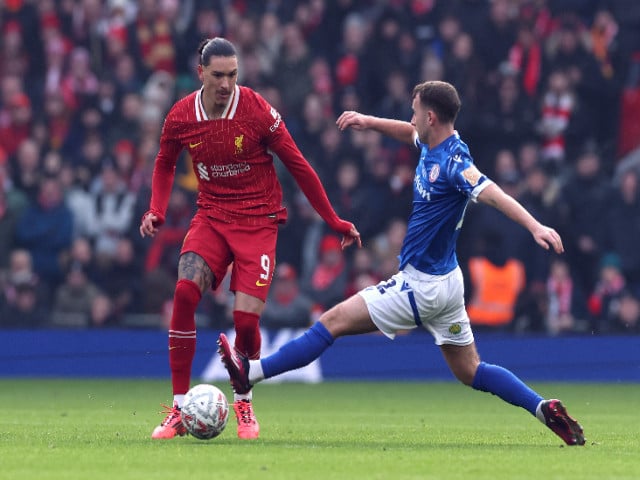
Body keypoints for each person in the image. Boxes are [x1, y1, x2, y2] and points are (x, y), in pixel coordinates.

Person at [218, 80, 586, 446]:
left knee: (331, 322)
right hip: (447, 283)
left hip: (421, 286)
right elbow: (406, 132)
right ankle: (542, 408)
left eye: (414, 113)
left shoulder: (455, 162)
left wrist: (535, 225)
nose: (410, 120)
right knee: (470, 371)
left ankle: (250, 373)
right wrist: (369, 121)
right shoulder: (433, 140)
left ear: (430, 116)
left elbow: (493, 194)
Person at [139, 37, 360, 441]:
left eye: (233, 75)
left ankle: (243, 401)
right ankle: (179, 406)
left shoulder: (257, 110)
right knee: (185, 291)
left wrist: (333, 219)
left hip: (258, 221)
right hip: (211, 216)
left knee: (244, 320)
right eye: (219, 75)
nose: (226, 84)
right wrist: (156, 208)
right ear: (201, 72)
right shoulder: (181, 115)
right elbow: (164, 163)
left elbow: (298, 165)